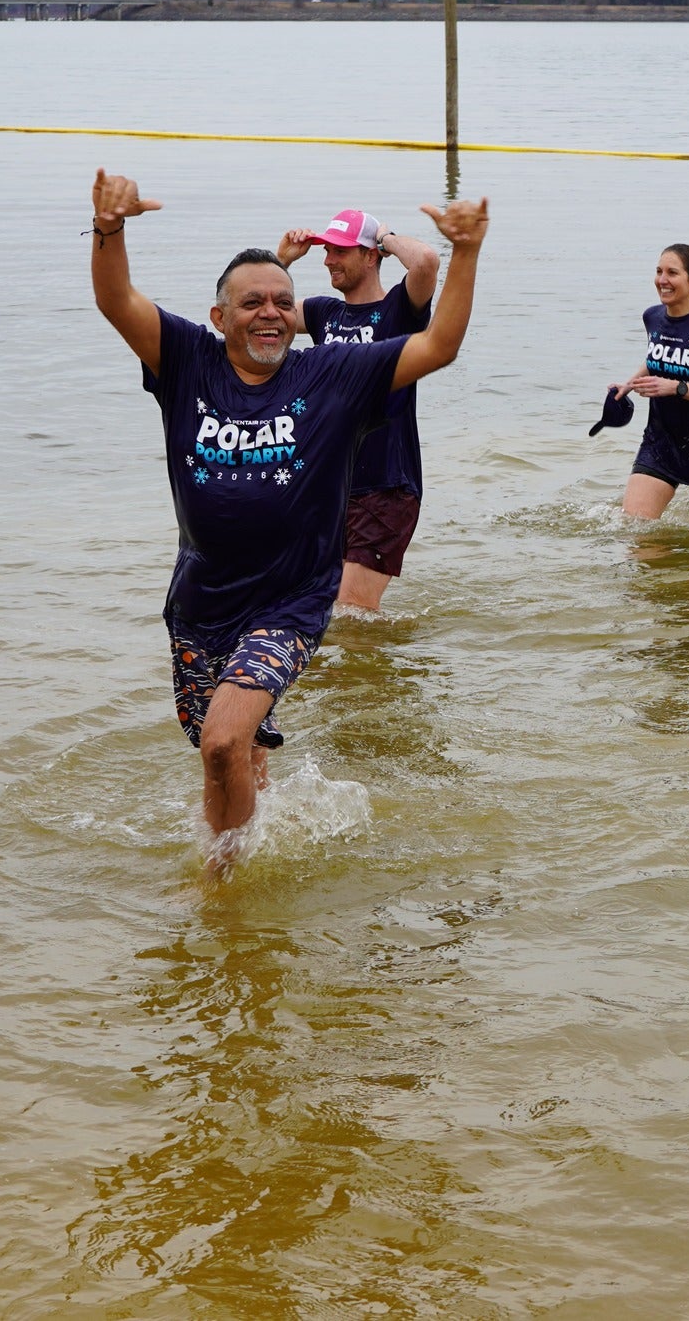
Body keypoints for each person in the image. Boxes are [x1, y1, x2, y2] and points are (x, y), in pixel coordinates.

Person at [88, 169, 489, 864]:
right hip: (198, 607)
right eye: (251, 303)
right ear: (220, 318)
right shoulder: (187, 360)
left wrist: (466, 256)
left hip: (290, 601)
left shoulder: (331, 372)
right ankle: (256, 843)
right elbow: (117, 299)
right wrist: (109, 228)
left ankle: (221, 891)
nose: (271, 312)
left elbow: (439, 346)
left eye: (282, 300)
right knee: (231, 752)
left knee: (221, 741)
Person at [276, 210, 441, 612]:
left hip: (386, 485)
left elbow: (426, 261)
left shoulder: (400, 310)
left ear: (370, 256)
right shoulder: (323, 313)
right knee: (319, 607)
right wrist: (280, 262)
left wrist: (385, 237)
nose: (329, 259)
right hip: (331, 487)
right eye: (327, 249)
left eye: (340, 250)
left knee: (351, 611)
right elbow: (251, 316)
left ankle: (371, 674)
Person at [608, 245, 689, 524]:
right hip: (661, 442)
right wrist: (630, 384)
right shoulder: (652, 317)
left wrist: (677, 388)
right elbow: (656, 357)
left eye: (672, 273)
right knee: (634, 530)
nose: (662, 280)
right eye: (658, 272)